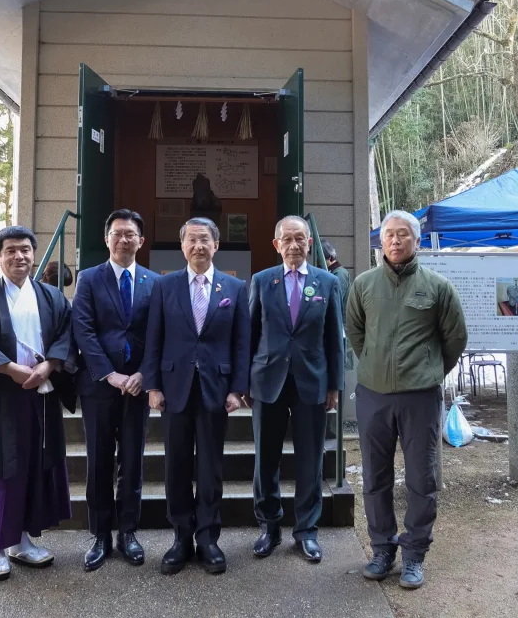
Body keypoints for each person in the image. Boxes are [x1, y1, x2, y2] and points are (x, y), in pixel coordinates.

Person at [345, 210, 467, 591]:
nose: (395, 241)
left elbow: (455, 338)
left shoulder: (437, 287)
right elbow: (355, 332)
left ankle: (414, 553)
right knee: (374, 477)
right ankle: (382, 549)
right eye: (389, 235)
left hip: (420, 398)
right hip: (373, 396)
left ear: (417, 240)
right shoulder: (364, 285)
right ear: (380, 241)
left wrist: (429, 370)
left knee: (421, 478)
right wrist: (375, 364)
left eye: (403, 234)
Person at [0, 225, 78, 582]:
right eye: (11, 251)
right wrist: (11, 369)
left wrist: (48, 366)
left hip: (41, 393)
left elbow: (66, 336)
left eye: (25, 249)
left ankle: (20, 540)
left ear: (34, 255)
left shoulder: (52, 298)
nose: (19, 256)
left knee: (33, 466)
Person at [141, 217, 249, 575]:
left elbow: (242, 343)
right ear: (182, 246)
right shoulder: (164, 285)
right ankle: (181, 538)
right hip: (174, 389)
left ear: (216, 245)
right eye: (192, 239)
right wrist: (153, 386)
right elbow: (154, 338)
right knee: (176, 467)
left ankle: (208, 539)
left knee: (210, 468)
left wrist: (237, 389)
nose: (198, 246)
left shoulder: (235, 288)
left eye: (205, 239)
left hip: (216, 390)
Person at [247, 216, 343, 564]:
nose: (293, 245)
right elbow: (250, 334)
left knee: (310, 460)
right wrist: (244, 382)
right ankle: (269, 527)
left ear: (309, 243)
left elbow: (334, 338)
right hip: (267, 382)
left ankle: (306, 530)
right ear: (276, 245)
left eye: (299, 239)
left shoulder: (327, 282)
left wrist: (335, 385)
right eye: (286, 239)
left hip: (311, 383)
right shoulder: (262, 281)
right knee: (265, 459)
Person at [71, 209, 158, 571]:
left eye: (130, 234)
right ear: (107, 239)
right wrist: (110, 374)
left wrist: (144, 374)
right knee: (99, 460)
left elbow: (159, 334)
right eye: (117, 233)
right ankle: (100, 535)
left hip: (138, 386)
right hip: (100, 386)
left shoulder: (155, 282)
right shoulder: (89, 279)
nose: (124, 239)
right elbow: (83, 329)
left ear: (141, 241)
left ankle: (128, 532)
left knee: (133, 461)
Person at [322, 240, 354, 367]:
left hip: (340, 330)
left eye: (321, 259)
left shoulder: (339, 274)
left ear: (330, 257)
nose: (318, 263)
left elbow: (334, 302)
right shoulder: (335, 273)